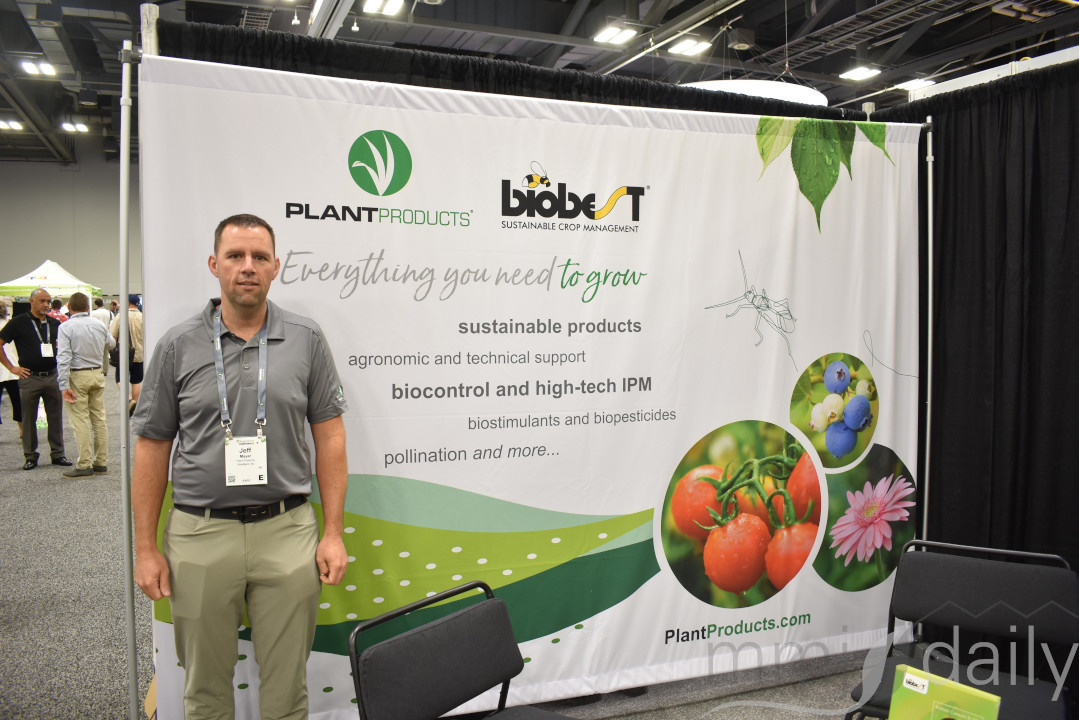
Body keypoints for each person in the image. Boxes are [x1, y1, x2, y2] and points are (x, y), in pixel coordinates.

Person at [132, 213, 349, 720]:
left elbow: (331, 436)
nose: (247, 266)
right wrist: (145, 548)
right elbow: (152, 446)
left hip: (287, 531)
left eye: (259, 257)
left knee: (287, 691)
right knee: (204, 691)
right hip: (200, 534)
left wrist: (333, 533)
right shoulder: (178, 344)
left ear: (275, 266)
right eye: (235, 256)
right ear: (215, 265)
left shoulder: (306, 338)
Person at [0, 288, 72, 469]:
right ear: (31, 301)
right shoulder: (18, 323)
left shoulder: (55, 324)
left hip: (52, 375)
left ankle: (58, 454)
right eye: (42, 301)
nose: (46, 304)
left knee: (55, 417)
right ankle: (30, 456)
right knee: (28, 417)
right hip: (29, 377)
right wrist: (12, 368)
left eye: (48, 301)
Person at [56, 292, 115, 478]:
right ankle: (101, 462)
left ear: (69, 307)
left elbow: (63, 357)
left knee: (80, 420)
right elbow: (112, 344)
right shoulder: (98, 325)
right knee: (99, 418)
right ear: (88, 307)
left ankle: (84, 464)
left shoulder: (66, 327)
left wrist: (63, 384)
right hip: (97, 373)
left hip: (77, 376)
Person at [110, 293, 144, 415]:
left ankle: (129, 400)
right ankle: (136, 404)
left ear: (128, 303)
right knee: (136, 381)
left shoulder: (121, 316)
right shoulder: (143, 316)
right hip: (139, 354)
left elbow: (113, 335)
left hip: (124, 354)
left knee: (120, 378)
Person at [0, 301, 23, 439]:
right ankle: (22, 430)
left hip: (7, 368)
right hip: (13, 368)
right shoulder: (12, 324)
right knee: (17, 401)